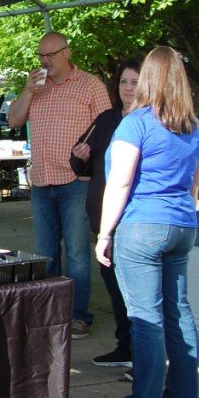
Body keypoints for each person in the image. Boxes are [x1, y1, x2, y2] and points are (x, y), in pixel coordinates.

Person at [94, 47, 199, 398]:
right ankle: (185, 396)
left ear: (146, 79)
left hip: (142, 226)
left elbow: (120, 182)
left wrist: (104, 233)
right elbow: (195, 186)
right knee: (178, 312)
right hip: (182, 225)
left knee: (145, 318)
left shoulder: (136, 123)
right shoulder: (196, 126)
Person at [7, 31, 110, 339]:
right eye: (40, 56)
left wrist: (92, 169)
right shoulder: (35, 87)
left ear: (67, 53)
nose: (45, 61)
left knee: (78, 252)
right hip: (41, 180)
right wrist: (27, 90)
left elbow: (106, 130)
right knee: (46, 252)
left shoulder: (90, 85)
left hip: (74, 180)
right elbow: (13, 120)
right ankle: (51, 312)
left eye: (50, 55)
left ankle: (79, 315)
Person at [70, 59, 141, 369]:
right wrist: (79, 155)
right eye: (124, 82)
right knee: (114, 287)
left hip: (133, 219)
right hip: (102, 218)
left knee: (135, 292)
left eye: (135, 82)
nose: (128, 88)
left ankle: (142, 355)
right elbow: (83, 165)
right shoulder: (107, 119)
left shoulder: (149, 121)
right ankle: (126, 347)